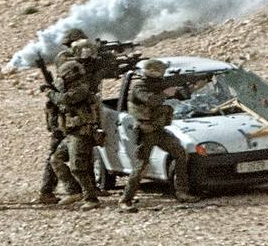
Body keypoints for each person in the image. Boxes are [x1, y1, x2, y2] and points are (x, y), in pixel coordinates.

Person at [121, 59, 199, 211]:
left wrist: (193, 86)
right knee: (141, 166)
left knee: (180, 153)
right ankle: (126, 199)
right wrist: (165, 93)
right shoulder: (139, 87)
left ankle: (182, 191)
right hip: (146, 132)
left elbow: (182, 96)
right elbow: (151, 101)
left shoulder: (157, 85)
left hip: (158, 130)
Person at [45, 37, 105, 210]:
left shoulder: (81, 88)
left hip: (82, 133)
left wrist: (50, 93)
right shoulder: (74, 87)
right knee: (55, 159)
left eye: (63, 76)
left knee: (78, 168)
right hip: (71, 133)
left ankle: (91, 199)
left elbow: (65, 100)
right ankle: (73, 191)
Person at [35, 27, 88, 204]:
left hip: (70, 112)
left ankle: (86, 188)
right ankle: (47, 191)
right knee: (56, 154)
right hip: (63, 114)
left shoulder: (74, 61)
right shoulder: (66, 60)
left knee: (78, 153)